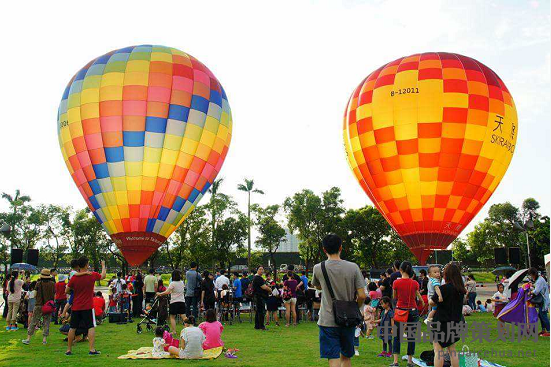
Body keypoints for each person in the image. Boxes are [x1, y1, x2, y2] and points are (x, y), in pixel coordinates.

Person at [312, 234, 366, 367]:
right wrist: (356, 307)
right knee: (346, 357)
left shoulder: (318, 268)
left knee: (332, 358)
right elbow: (362, 296)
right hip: (348, 320)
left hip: (327, 319)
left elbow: (317, 286)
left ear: (324, 249)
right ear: (341, 247)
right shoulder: (353, 267)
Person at [64, 257, 106, 355]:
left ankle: (69, 350)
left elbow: (67, 290)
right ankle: (91, 349)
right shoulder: (91, 275)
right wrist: (103, 265)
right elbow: (103, 276)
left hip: (76, 306)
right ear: (86, 264)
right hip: (87, 306)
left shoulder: (74, 277)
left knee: (72, 327)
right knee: (90, 327)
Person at [430, 263, 466, 367]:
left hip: (441, 323)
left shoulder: (443, 289)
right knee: (452, 350)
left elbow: (432, 302)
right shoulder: (461, 290)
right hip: (455, 322)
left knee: (438, 351)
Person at [391, 261, 425, 367]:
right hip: (413, 310)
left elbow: (395, 297)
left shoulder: (396, 283)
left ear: (400, 270)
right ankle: (410, 361)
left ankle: (395, 362)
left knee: (397, 336)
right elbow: (417, 296)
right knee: (411, 336)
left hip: (401, 310)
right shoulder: (415, 283)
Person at [22, 269, 56, 345]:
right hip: (48, 306)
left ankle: (28, 339)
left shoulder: (38, 283)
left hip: (38, 304)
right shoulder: (53, 284)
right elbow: (54, 295)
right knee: (46, 322)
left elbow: (34, 294)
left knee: (34, 321)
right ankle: (44, 339)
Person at [528, 267, 550, 336]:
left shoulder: (540, 280)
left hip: (543, 301)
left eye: (531, 275)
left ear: (533, 274)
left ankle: (549, 331)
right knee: (540, 315)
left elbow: (536, 291)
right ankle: (544, 330)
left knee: (543, 315)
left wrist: (530, 292)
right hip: (542, 301)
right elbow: (537, 287)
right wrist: (532, 286)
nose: (531, 276)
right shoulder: (539, 279)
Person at [252, 266, 271, 330]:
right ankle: (261, 326)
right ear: (257, 270)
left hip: (258, 296)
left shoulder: (257, 277)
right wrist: (270, 289)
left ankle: (257, 326)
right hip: (259, 296)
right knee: (261, 311)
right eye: (260, 269)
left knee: (258, 311)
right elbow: (264, 287)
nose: (262, 271)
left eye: (263, 269)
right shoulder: (258, 278)